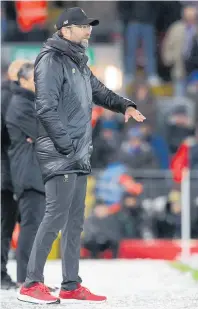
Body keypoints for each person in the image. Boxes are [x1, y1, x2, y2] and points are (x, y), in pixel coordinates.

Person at [17, 7, 145, 305]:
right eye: (82, 26)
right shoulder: (50, 60)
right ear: (64, 30)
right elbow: (46, 108)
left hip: (77, 153)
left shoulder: (78, 62)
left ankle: (71, 284)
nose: (89, 30)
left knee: (74, 222)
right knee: (54, 218)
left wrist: (124, 105)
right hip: (62, 152)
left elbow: (99, 91)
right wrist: (65, 146)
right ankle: (31, 283)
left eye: (89, 26)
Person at [5, 63, 45, 287]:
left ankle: (33, 278)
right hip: (28, 173)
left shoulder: (29, 103)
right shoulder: (21, 104)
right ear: (22, 80)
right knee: (30, 227)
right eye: (35, 79)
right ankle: (26, 280)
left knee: (35, 226)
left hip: (33, 171)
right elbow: (46, 132)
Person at [1, 59, 28, 290]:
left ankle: (27, 276)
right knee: (5, 225)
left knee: (14, 224)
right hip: (7, 172)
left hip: (12, 171)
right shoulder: (8, 98)